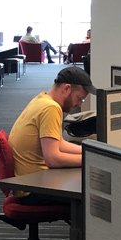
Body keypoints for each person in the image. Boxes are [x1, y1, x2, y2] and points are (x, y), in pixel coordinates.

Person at [8, 66, 95, 203]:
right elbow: (53, 159)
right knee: (92, 195)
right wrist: (89, 160)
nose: (78, 104)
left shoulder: (41, 99)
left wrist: (90, 152)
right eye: (79, 99)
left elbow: (58, 142)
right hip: (34, 189)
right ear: (66, 89)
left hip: (28, 182)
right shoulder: (51, 108)